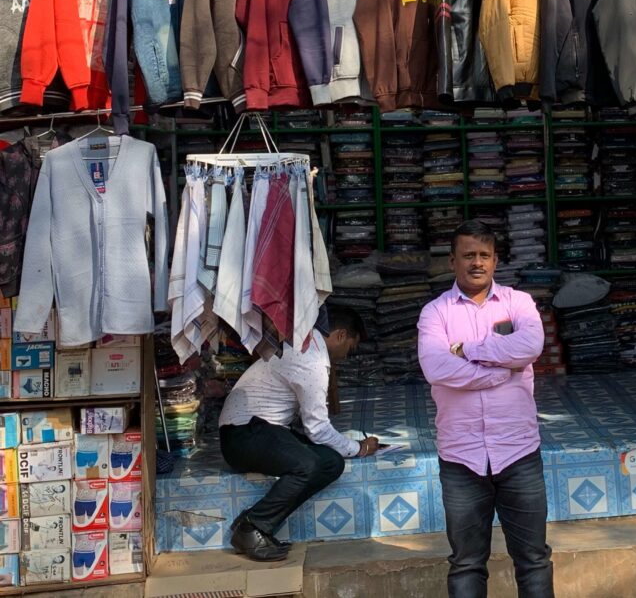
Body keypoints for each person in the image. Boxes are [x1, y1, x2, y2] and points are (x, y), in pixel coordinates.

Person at [417, 220, 553, 598]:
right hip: (462, 458)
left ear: (495, 261)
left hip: (519, 453)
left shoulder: (519, 303)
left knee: (534, 559)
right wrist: (499, 372)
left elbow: (529, 348)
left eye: (484, 255)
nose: (477, 263)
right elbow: (436, 367)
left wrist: (468, 350)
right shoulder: (435, 313)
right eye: (468, 255)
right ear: (452, 261)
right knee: (466, 564)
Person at [219, 305, 380, 561]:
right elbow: (317, 429)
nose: (347, 356)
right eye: (350, 347)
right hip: (244, 434)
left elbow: (313, 430)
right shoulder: (312, 358)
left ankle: (260, 523)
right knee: (306, 464)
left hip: (257, 431)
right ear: (339, 335)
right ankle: (253, 527)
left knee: (331, 463)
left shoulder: (307, 344)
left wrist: (346, 450)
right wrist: (360, 448)